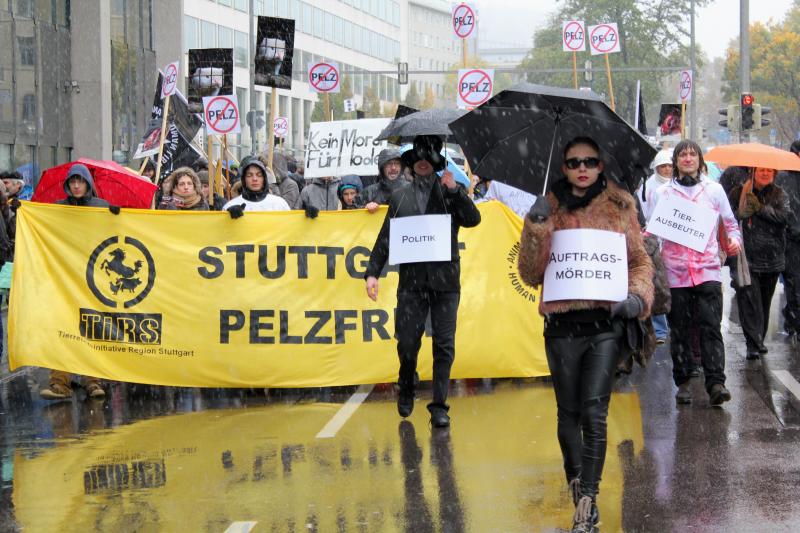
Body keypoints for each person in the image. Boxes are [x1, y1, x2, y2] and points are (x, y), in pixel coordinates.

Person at [517, 136, 653, 533]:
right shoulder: (549, 206)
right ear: (563, 167)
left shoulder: (621, 205)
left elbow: (640, 260)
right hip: (561, 328)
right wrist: (536, 227)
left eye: (590, 161)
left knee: (595, 413)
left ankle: (589, 501)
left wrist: (636, 298)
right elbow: (529, 274)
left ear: (600, 166)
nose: (582, 168)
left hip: (604, 327)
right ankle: (577, 487)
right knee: (568, 415)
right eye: (574, 161)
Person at [364, 135, 481, 428]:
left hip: (445, 282)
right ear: (411, 164)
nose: (423, 161)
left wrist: (455, 192)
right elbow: (385, 237)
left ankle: (439, 405)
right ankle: (407, 382)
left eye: (428, 155)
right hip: (412, 284)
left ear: (437, 160)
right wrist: (371, 273)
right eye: (418, 156)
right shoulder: (400, 195)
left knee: (444, 344)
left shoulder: (449, 190)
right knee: (406, 342)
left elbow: (473, 219)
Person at [649, 140, 741, 406]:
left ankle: (716, 382)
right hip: (675, 272)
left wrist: (734, 241)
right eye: (682, 155)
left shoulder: (714, 190)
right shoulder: (663, 193)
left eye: (692, 154)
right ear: (675, 161)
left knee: (710, 327)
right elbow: (653, 230)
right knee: (679, 329)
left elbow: (730, 224)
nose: (688, 158)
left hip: (707, 270)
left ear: (700, 160)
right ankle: (684, 381)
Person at [40, 163, 111, 400]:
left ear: (88, 183)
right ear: (68, 185)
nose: (77, 185)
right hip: (65, 277)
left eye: (80, 181)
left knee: (90, 326)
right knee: (64, 327)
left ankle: (92, 381)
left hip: (92, 278)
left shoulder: (102, 207)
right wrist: (24, 212)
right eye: (73, 182)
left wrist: (118, 216)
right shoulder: (59, 208)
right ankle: (59, 383)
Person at [728, 167, 789, 359]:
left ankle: (759, 338)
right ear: (753, 172)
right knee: (749, 301)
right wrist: (741, 213)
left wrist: (760, 209)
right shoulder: (739, 192)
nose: (765, 174)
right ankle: (752, 344)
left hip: (771, 257)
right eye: (761, 170)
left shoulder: (779, 193)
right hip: (746, 258)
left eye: (769, 171)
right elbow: (727, 219)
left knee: (763, 302)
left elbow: (784, 218)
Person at [636, 149, 673, 344]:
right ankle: (659, 329)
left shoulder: (679, 187)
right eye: (663, 166)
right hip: (653, 242)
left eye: (669, 166)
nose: (666, 169)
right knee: (657, 285)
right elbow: (644, 213)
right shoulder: (647, 188)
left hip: (674, 245)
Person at [776, 141, 800, 342]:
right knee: (794, 283)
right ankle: (794, 319)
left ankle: (792, 317)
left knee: (794, 284)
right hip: (790, 241)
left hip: (790, 238)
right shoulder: (783, 178)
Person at [223, 158, 290, 217]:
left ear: (264, 179)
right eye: (249, 175)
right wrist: (227, 217)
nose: (254, 179)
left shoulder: (279, 204)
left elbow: (289, 227)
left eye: (259, 175)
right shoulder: (231, 205)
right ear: (244, 179)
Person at [363, 148, 405, 212]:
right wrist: (364, 208)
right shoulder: (369, 192)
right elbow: (352, 209)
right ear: (382, 167)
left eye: (397, 163)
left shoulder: (411, 189)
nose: (393, 168)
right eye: (389, 163)